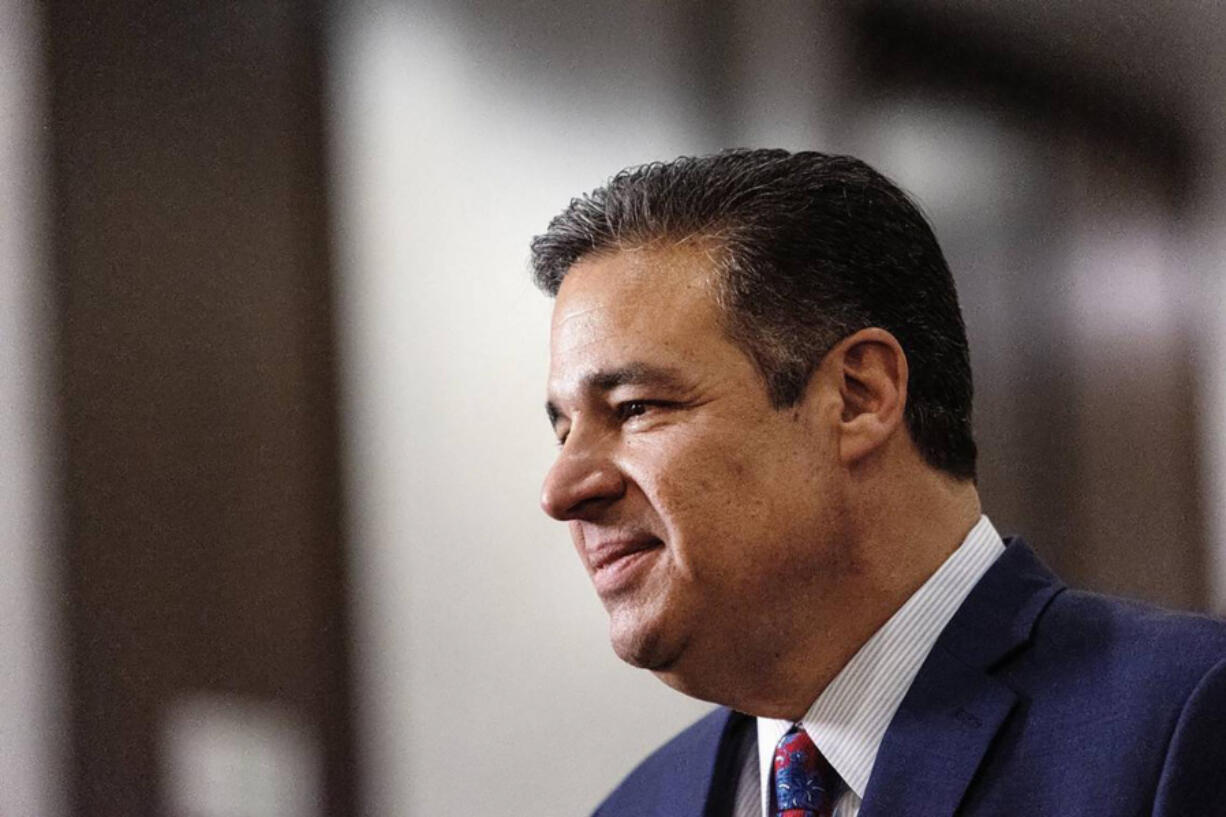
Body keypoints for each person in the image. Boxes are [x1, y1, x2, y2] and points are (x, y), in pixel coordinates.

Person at [530, 149, 1226, 817]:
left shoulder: (1185, 719)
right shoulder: (636, 806)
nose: (562, 488)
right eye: (563, 429)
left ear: (859, 395)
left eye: (635, 408)